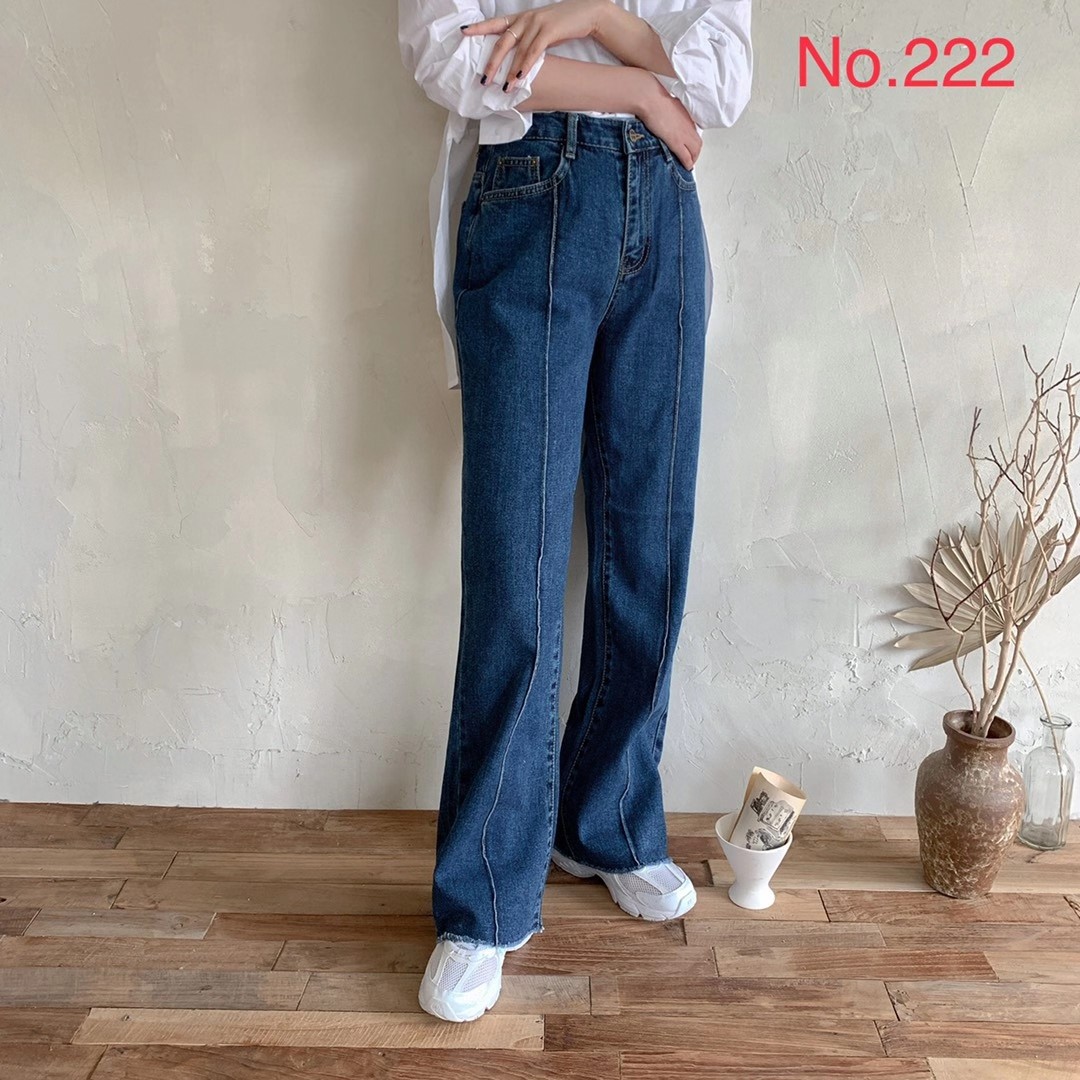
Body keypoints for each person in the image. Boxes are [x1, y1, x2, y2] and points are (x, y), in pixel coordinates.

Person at [397, 0, 752, 1023]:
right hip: (531, 187)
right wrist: (639, 83)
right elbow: (446, 52)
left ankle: (608, 823)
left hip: (665, 206)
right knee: (517, 559)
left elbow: (721, 85)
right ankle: (487, 896)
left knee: (650, 543)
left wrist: (589, 18)